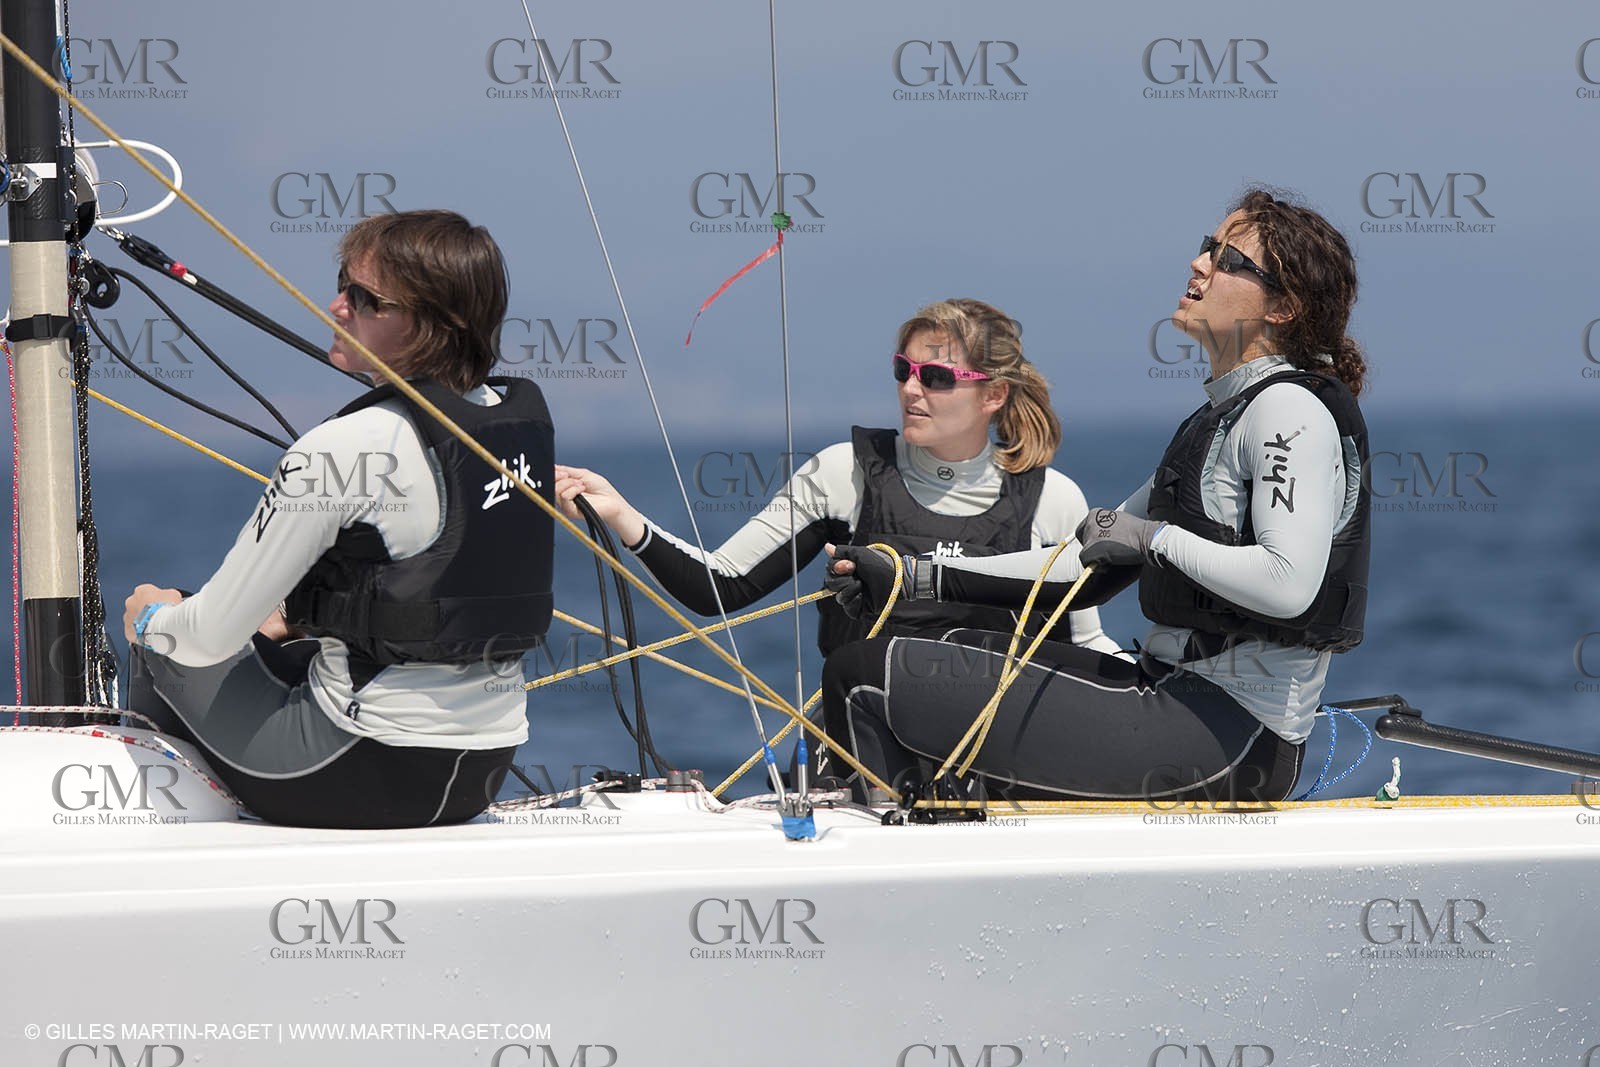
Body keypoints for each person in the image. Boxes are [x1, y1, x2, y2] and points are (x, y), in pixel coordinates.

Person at [824, 189, 1371, 805]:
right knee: (940, 654)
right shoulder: (1222, 416)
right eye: (1206, 248)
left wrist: (1155, 539)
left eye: (1227, 260)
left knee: (864, 676)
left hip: (1228, 735)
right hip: (1179, 703)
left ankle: (886, 850)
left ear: (1284, 308)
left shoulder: (1286, 409)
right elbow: (1084, 558)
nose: (1199, 265)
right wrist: (917, 577)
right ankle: (935, 825)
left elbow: (1288, 584)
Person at [121, 209, 555, 829]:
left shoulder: (341, 447)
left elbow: (208, 636)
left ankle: (158, 828)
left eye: (363, 298)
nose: (337, 306)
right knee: (275, 640)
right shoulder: (511, 425)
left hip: (356, 772)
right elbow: (418, 575)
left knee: (167, 637)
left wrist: (151, 618)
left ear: (429, 323)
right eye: (342, 286)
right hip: (481, 770)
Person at [554, 298, 1123, 666]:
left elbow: (1085, 643)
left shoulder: (1053, 500)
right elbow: (720, 588)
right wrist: (620, 514)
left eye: (938, 377)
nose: (910, 389)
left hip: (998, 761)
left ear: (993, 395)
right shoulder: (840, 474)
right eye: (904, 370)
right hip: (864, 749)